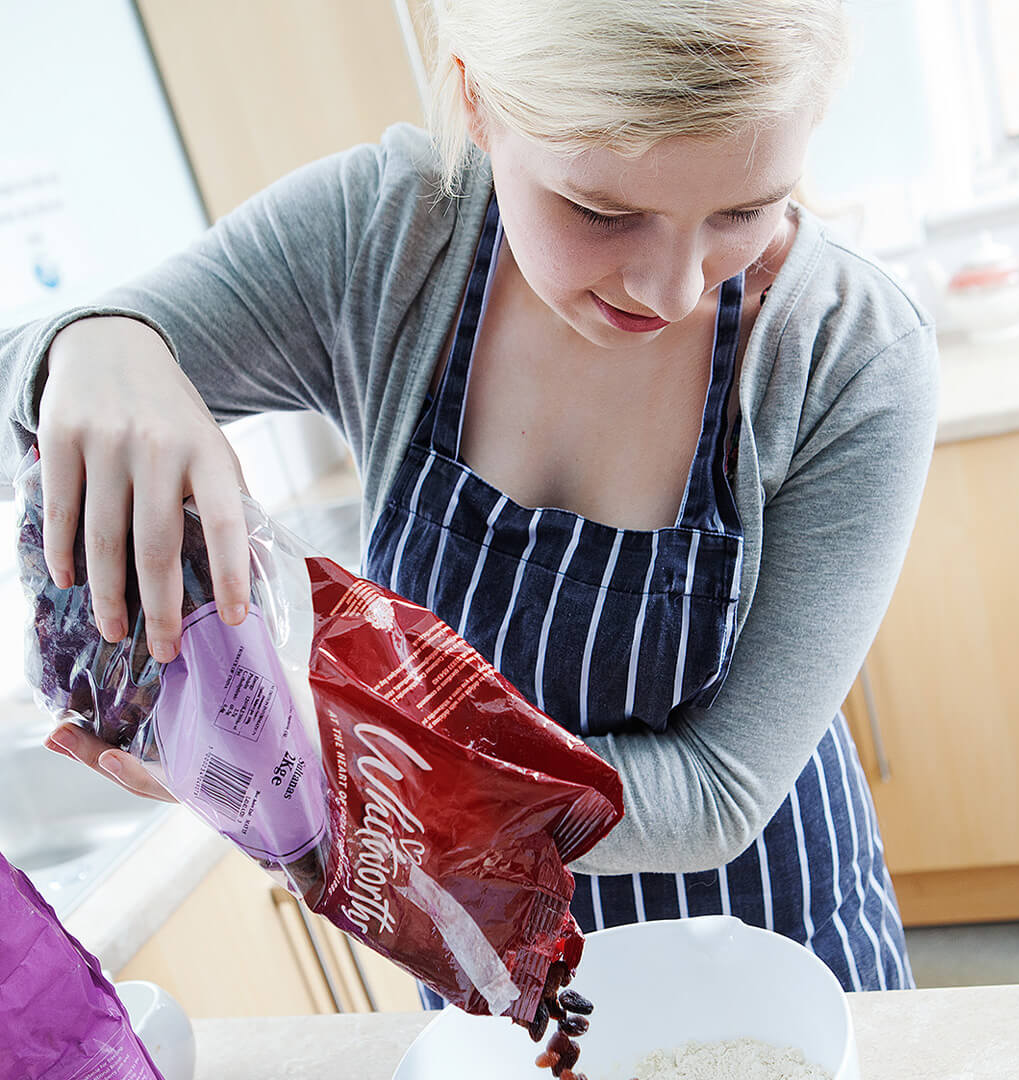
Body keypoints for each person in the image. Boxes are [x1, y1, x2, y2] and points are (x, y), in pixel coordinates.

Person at [0, 0, 937, 997]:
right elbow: (24, 375)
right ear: (477, 103)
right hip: (480, 960)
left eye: (747, 211)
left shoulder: (850, 354)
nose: (671, 289)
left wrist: (343, 783)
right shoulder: (392, 236)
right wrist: (98, 348)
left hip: (769, 944)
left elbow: (718, 792)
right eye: (602, 211)